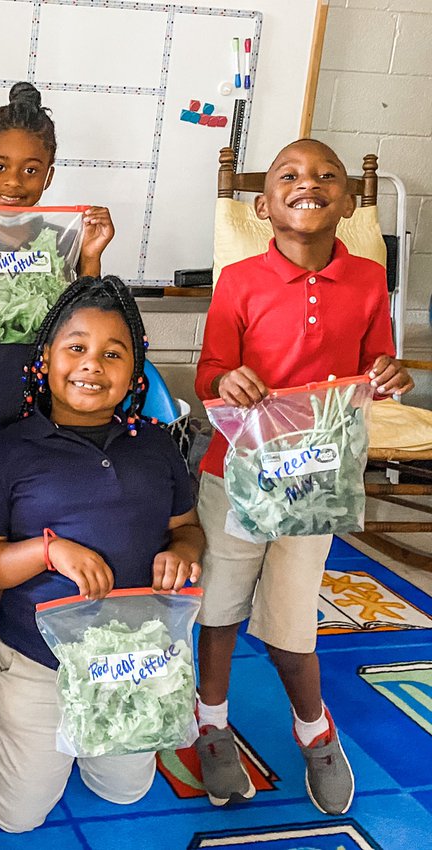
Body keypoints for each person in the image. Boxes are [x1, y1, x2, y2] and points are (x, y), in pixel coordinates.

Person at [193, 139, 412, 816]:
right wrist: (228, 378)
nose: (307, 183)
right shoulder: (238, 282)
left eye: (326, 176)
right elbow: (209, 377)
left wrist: (390, 376)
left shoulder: (369, 280)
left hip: (313, 480)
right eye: (290, 175)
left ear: (346, 202)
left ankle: (314, 731)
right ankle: (212, 723)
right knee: (221, 610)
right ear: (264, 205)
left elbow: (379, 366)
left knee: (294, 625)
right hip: (234, 472)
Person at [0, 276, 203, 833]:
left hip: (133, 661)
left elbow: (187, 527)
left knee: (124, 792)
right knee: (14, 818)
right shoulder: (6, 451)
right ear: (45, 358)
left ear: (135, 368)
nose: (92, 365)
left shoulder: (158, 444)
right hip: (38, 660)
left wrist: (185, 549)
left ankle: (82, 740)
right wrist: (48, 552)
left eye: (112, 354)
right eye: (76, 348)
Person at [0, 82, 115, 475]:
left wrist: (91, 256)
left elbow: (79, 334)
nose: (13, 182)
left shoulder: (60, 243)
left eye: (30, 170)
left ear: (47, 178)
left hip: (40, 422)